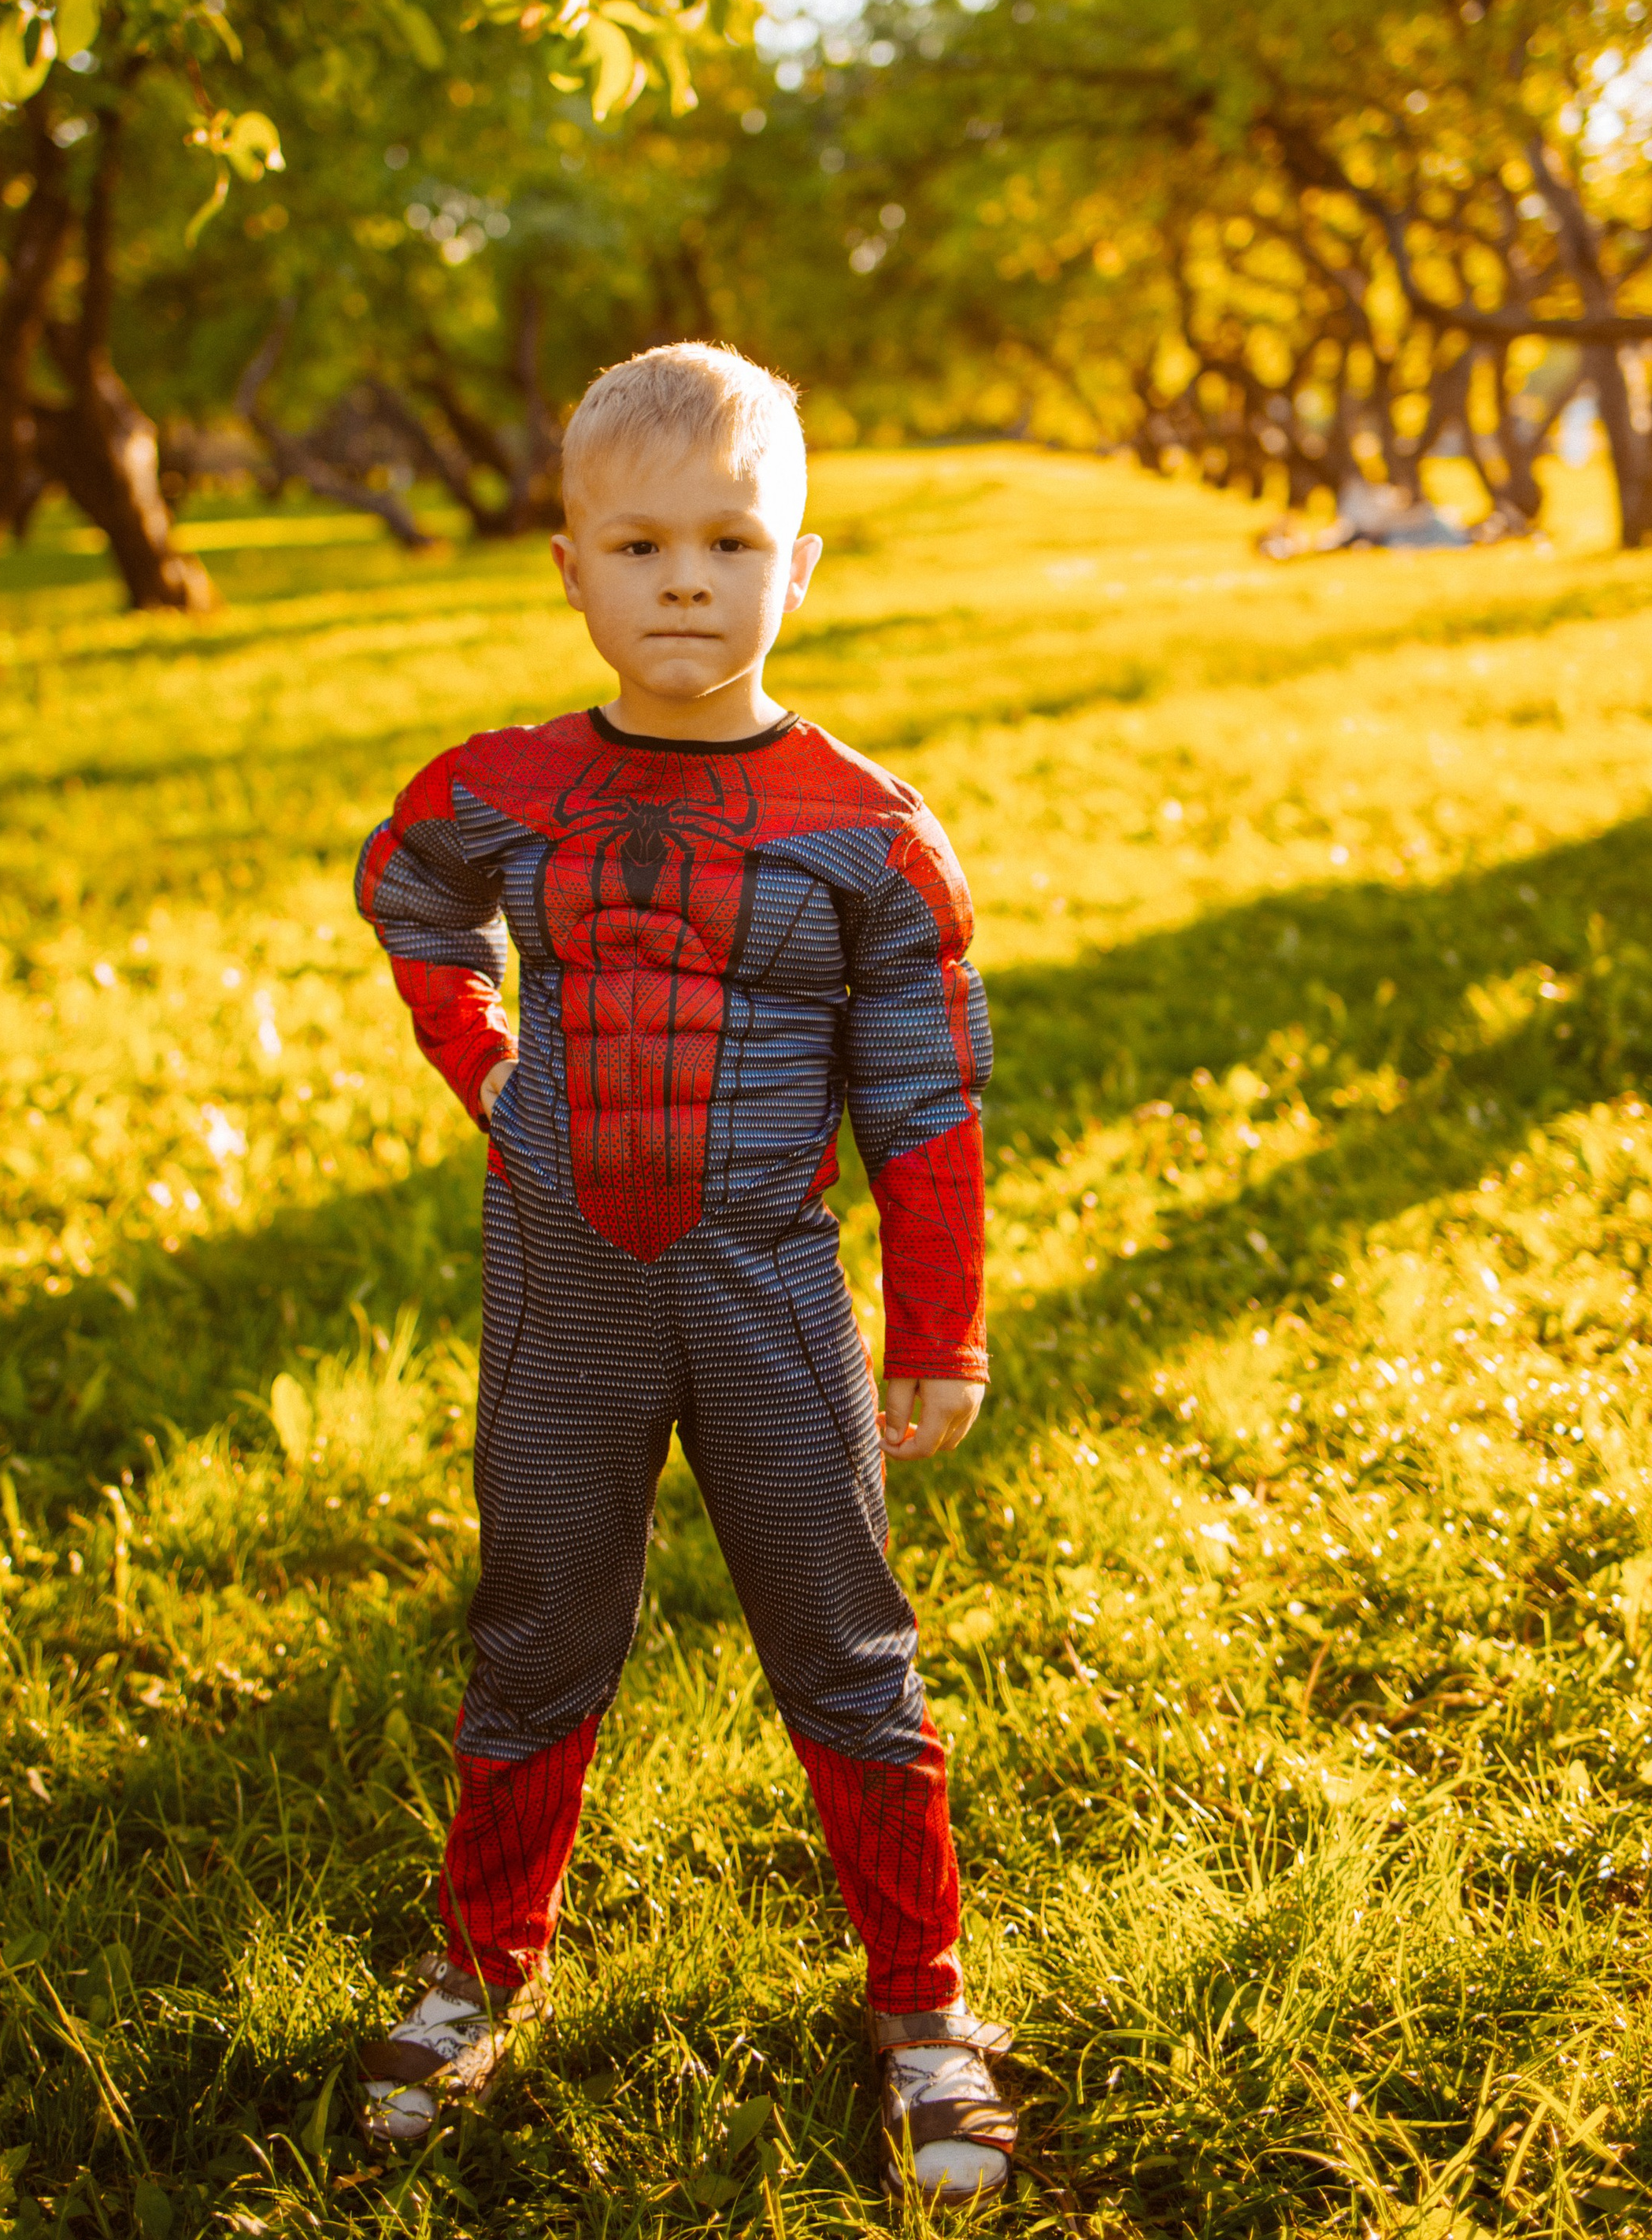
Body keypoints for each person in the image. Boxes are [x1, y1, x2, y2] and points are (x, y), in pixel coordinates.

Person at [350, 342, 1015, 2205]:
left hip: (767, 1297)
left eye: (731, 543)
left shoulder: (865, 830)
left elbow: (924, 1095)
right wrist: (480, 1055)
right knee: (537, 1624)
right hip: (564, 1294)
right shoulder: (502, 790)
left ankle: (919, 2003)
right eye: (636, 546)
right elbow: (405, 895)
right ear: (567, 565)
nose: (684, 584)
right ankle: (478, 1966)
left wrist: (938, 1319)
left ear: (799, 569)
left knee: (844, 1641)